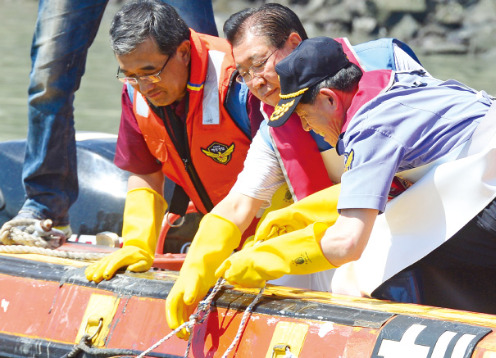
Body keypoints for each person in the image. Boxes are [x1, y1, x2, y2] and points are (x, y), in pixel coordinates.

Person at [216, 37, 496, 322]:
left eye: (304, 115)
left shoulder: (367, 129)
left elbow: (348, 243)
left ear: (330, 99)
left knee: (375, 259)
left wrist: (265, 260)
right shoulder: (396, 81)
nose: (305, 128)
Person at [164, 3, 426, 339]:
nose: (255, 82)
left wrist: (300, 214)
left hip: (416, 216)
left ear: (293, 42)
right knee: (261, 284)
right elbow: (240, 202)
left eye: (259, 64)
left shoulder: (385, 63)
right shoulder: (275, 126)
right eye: (242, 73)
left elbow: (421, 161)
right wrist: (197, 264)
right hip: (342, 235)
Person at [7, 0, 217, 242]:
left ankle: (209, 210)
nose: (143, 85)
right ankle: (46, 207)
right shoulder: (132, 90)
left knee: (203, 67)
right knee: (48, 79)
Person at [84, 0, 256, 287]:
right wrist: (137, 245)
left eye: (151, 71)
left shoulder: (240, 78)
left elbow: (284, 167)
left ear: (184, 52)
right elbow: (145, 171)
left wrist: (267, 244)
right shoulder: (136, 88)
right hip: (222, 234)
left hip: (277, 231)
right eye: (130, 74)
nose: (144, 85)